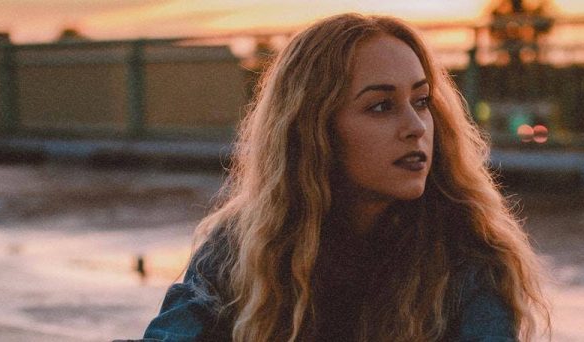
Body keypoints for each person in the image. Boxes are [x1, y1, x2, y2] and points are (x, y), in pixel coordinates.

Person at [142, 13, 550, 342]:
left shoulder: (468, 253)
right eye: (380, 106)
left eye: (421, 101)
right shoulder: (244, 245)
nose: (416, 126)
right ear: (315, 130)